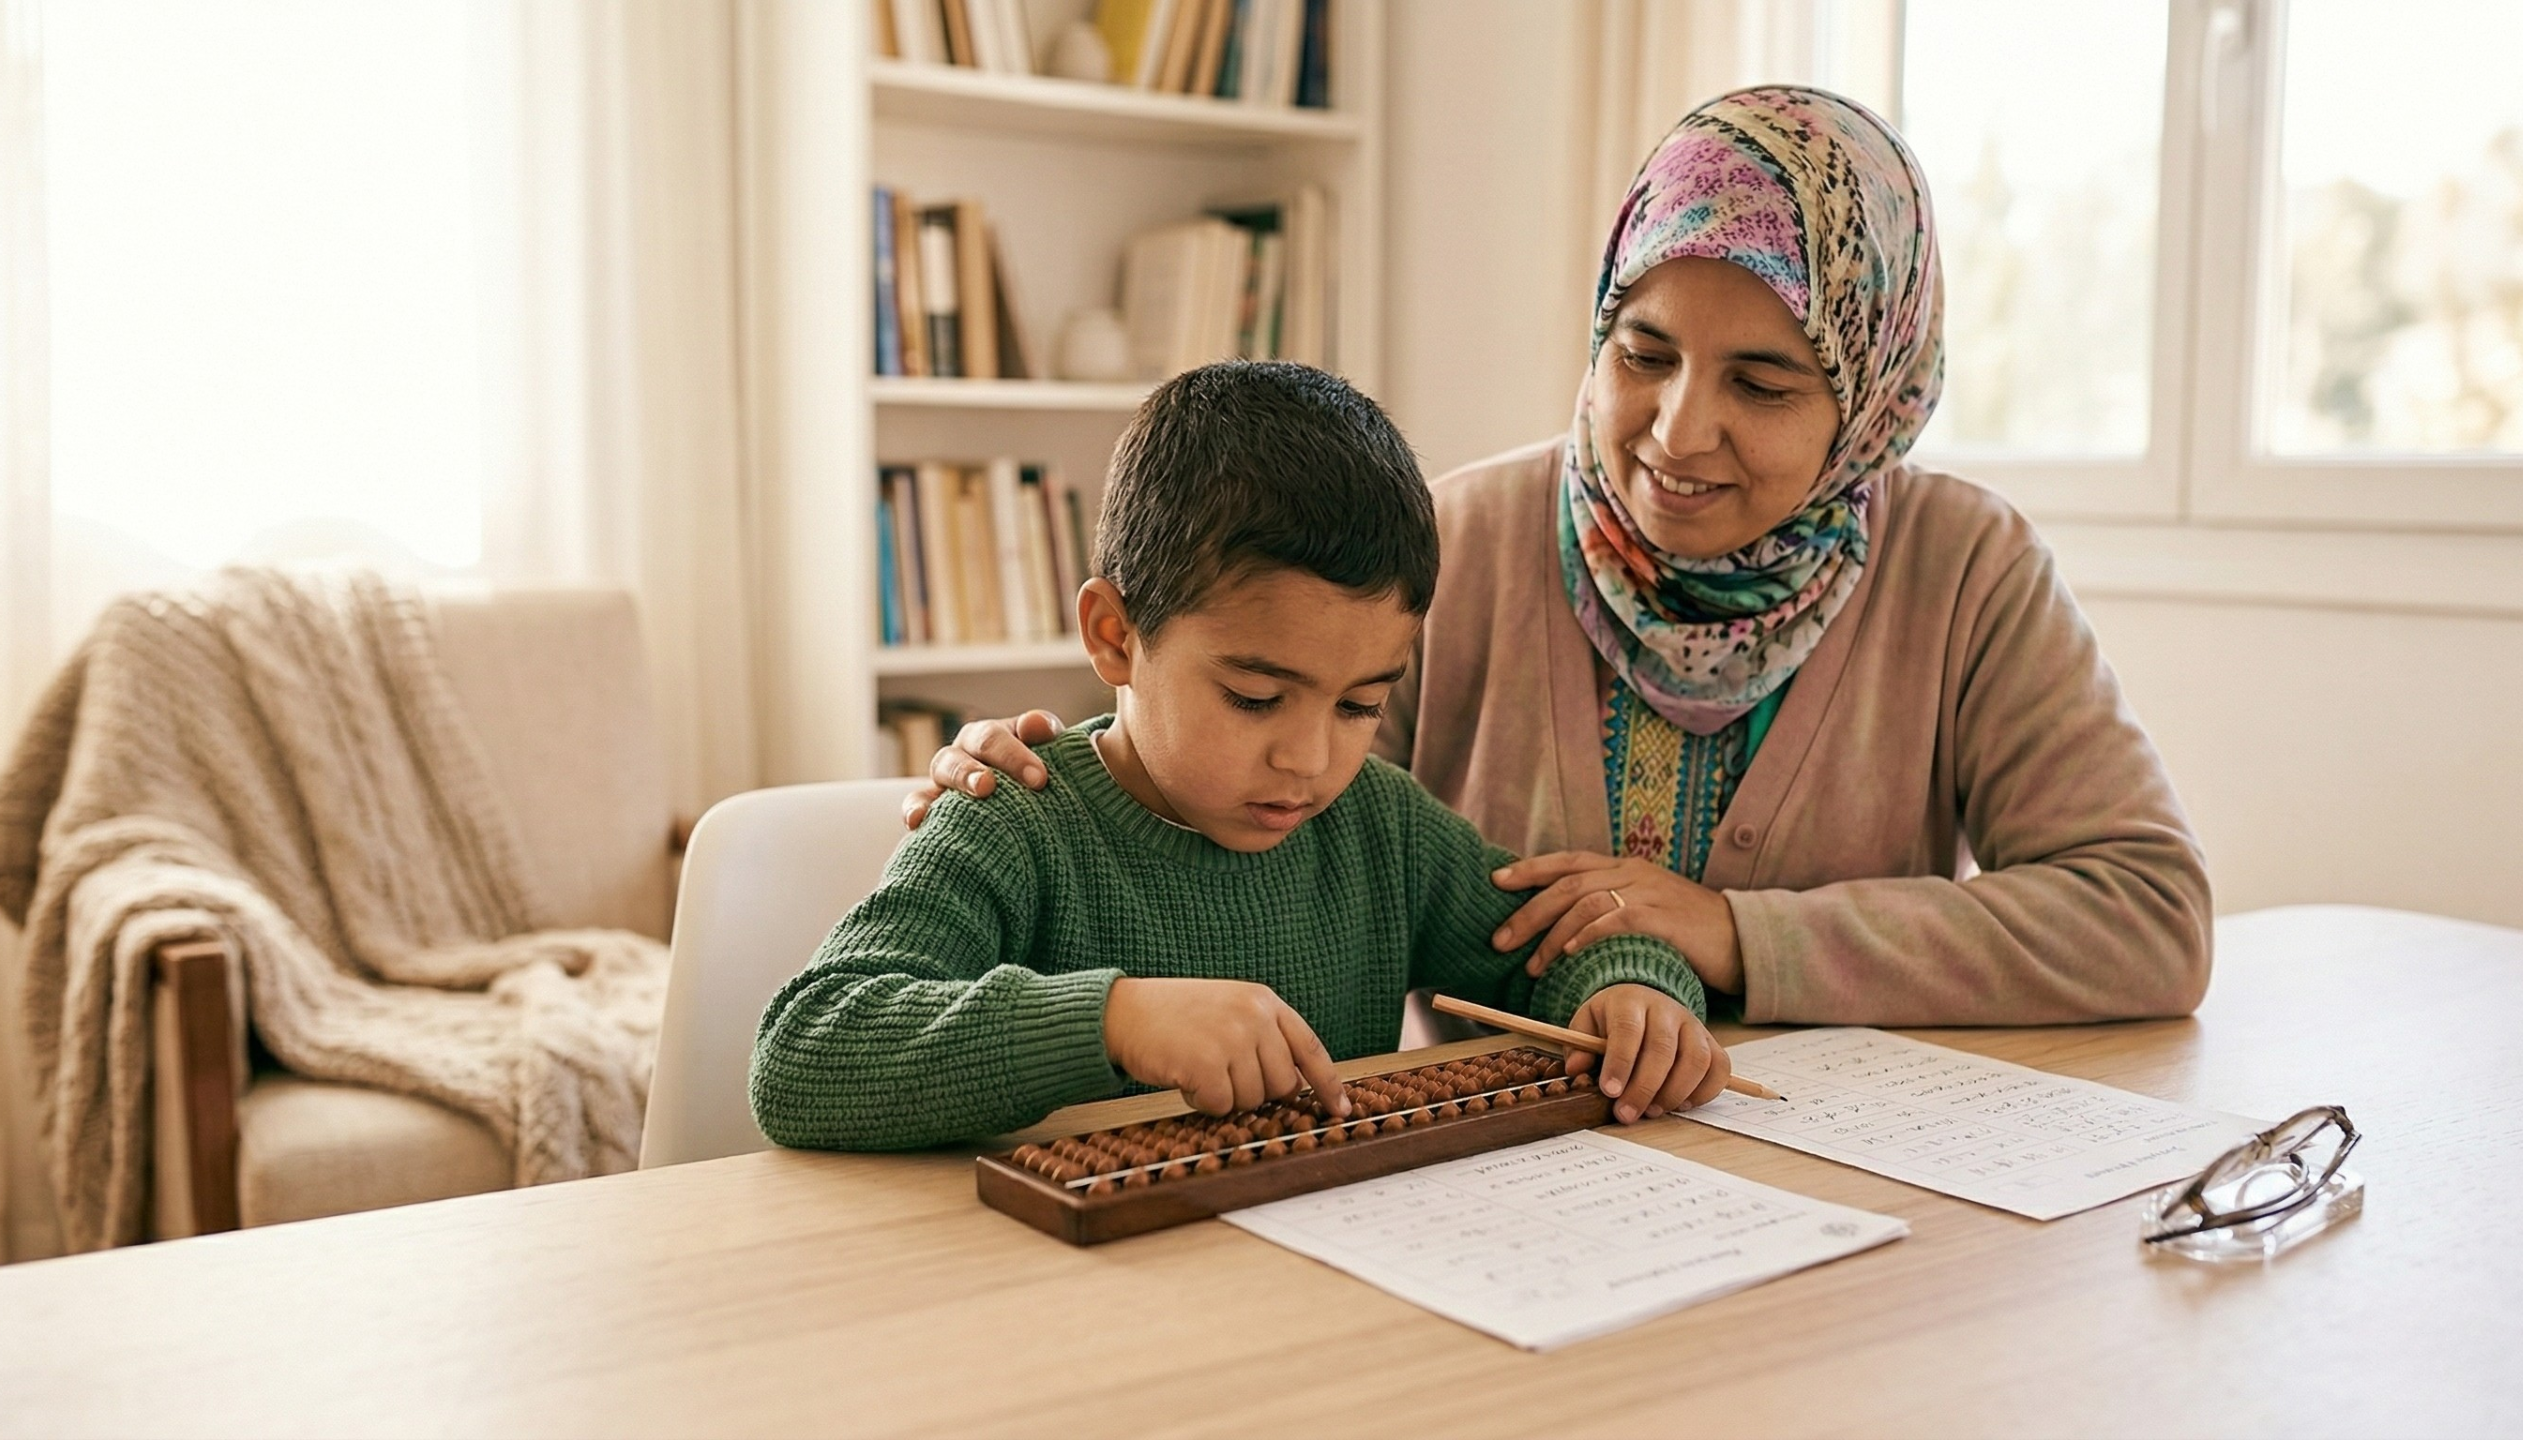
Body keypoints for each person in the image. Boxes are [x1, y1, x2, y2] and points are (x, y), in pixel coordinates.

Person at [903, 87, 2212, 1028]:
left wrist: (1741, 936)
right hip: (1506, 1182)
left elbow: (2146, 918)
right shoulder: (1455, 542)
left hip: (1861, 1183)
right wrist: (1056, 770)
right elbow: (1247, 796)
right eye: (1642, 355)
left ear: (1869, 404)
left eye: (1759, 383)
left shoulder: (1966, 570)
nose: (1678, 429)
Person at [751, 363, 1724, 1152]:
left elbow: (1552, 949)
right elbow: (806, 1055)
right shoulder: (1016, 818)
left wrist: (1631, 992)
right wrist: (1112, 1020)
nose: (1307, 759)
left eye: (1359, 704)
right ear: (1113, 636)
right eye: (1254, 697)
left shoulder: (1376, 824)